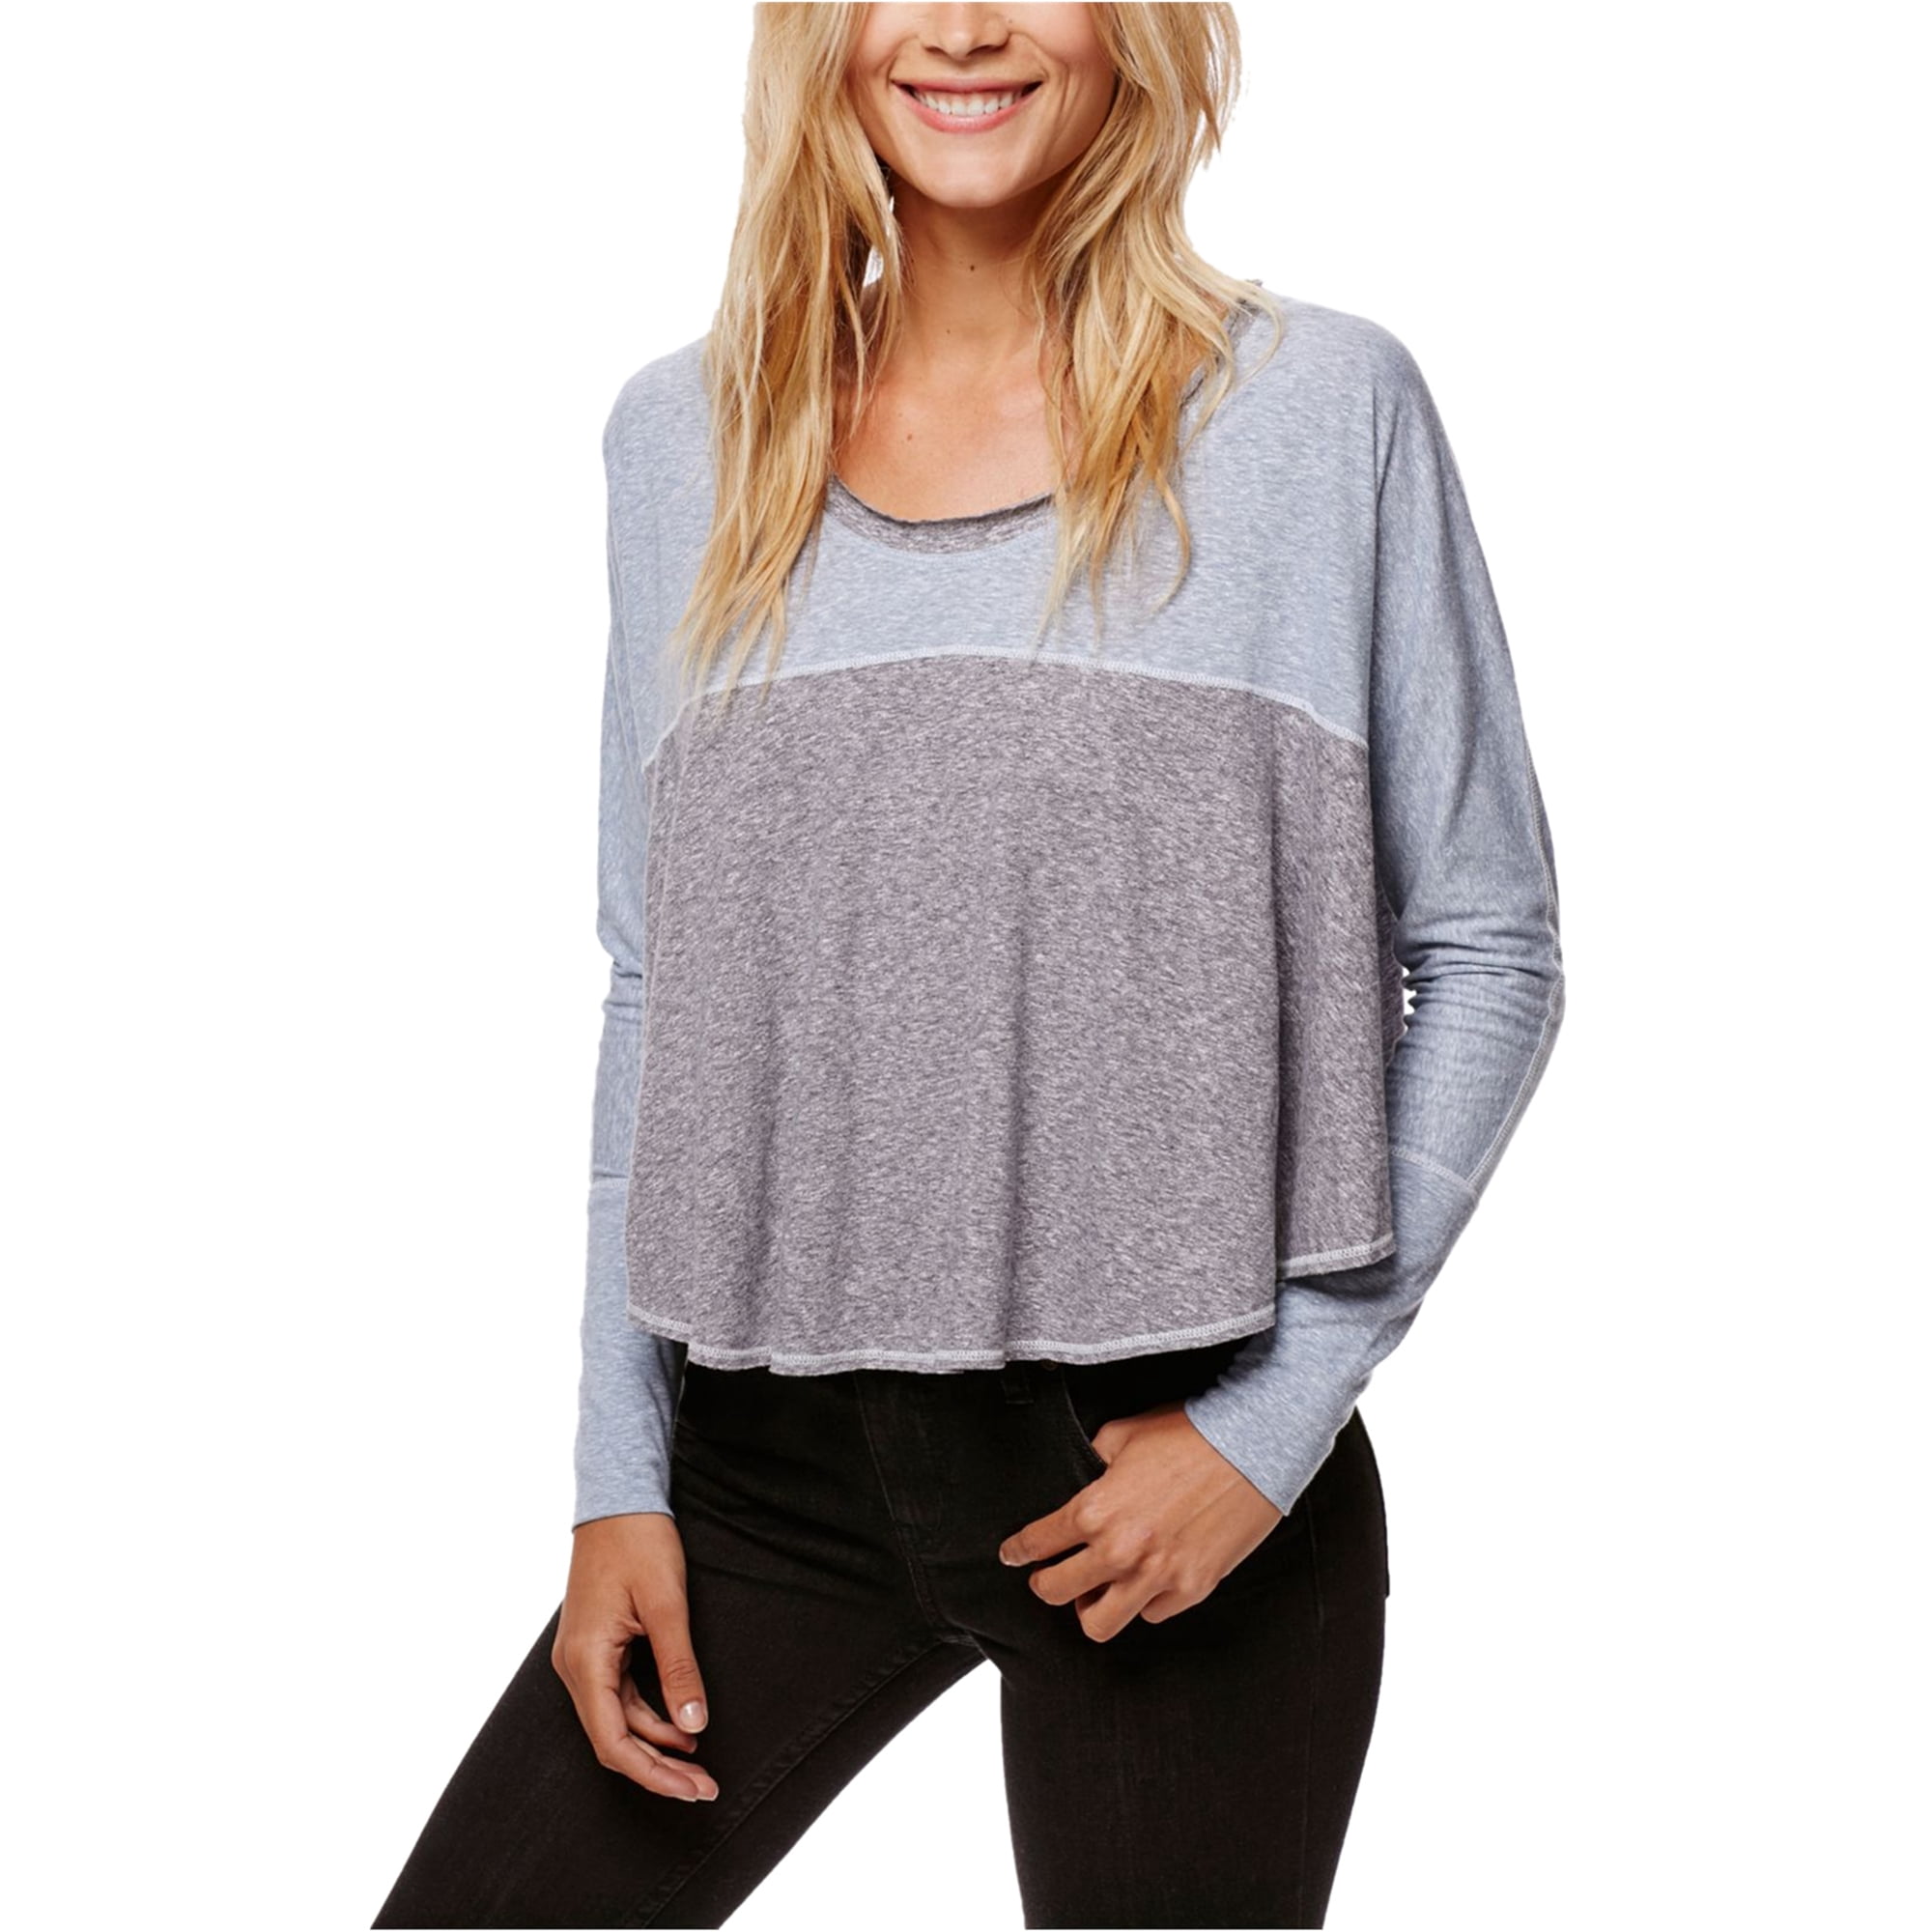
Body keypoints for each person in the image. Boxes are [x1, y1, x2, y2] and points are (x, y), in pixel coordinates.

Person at [372, 4, 1566, 1926]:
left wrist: (1269, 1427)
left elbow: (1492, 948)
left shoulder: (1317, 411)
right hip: (760, 1461)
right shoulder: (684, 441)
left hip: (1167, 1465)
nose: (964, 25)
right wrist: (616, 1477)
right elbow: (658, 988)